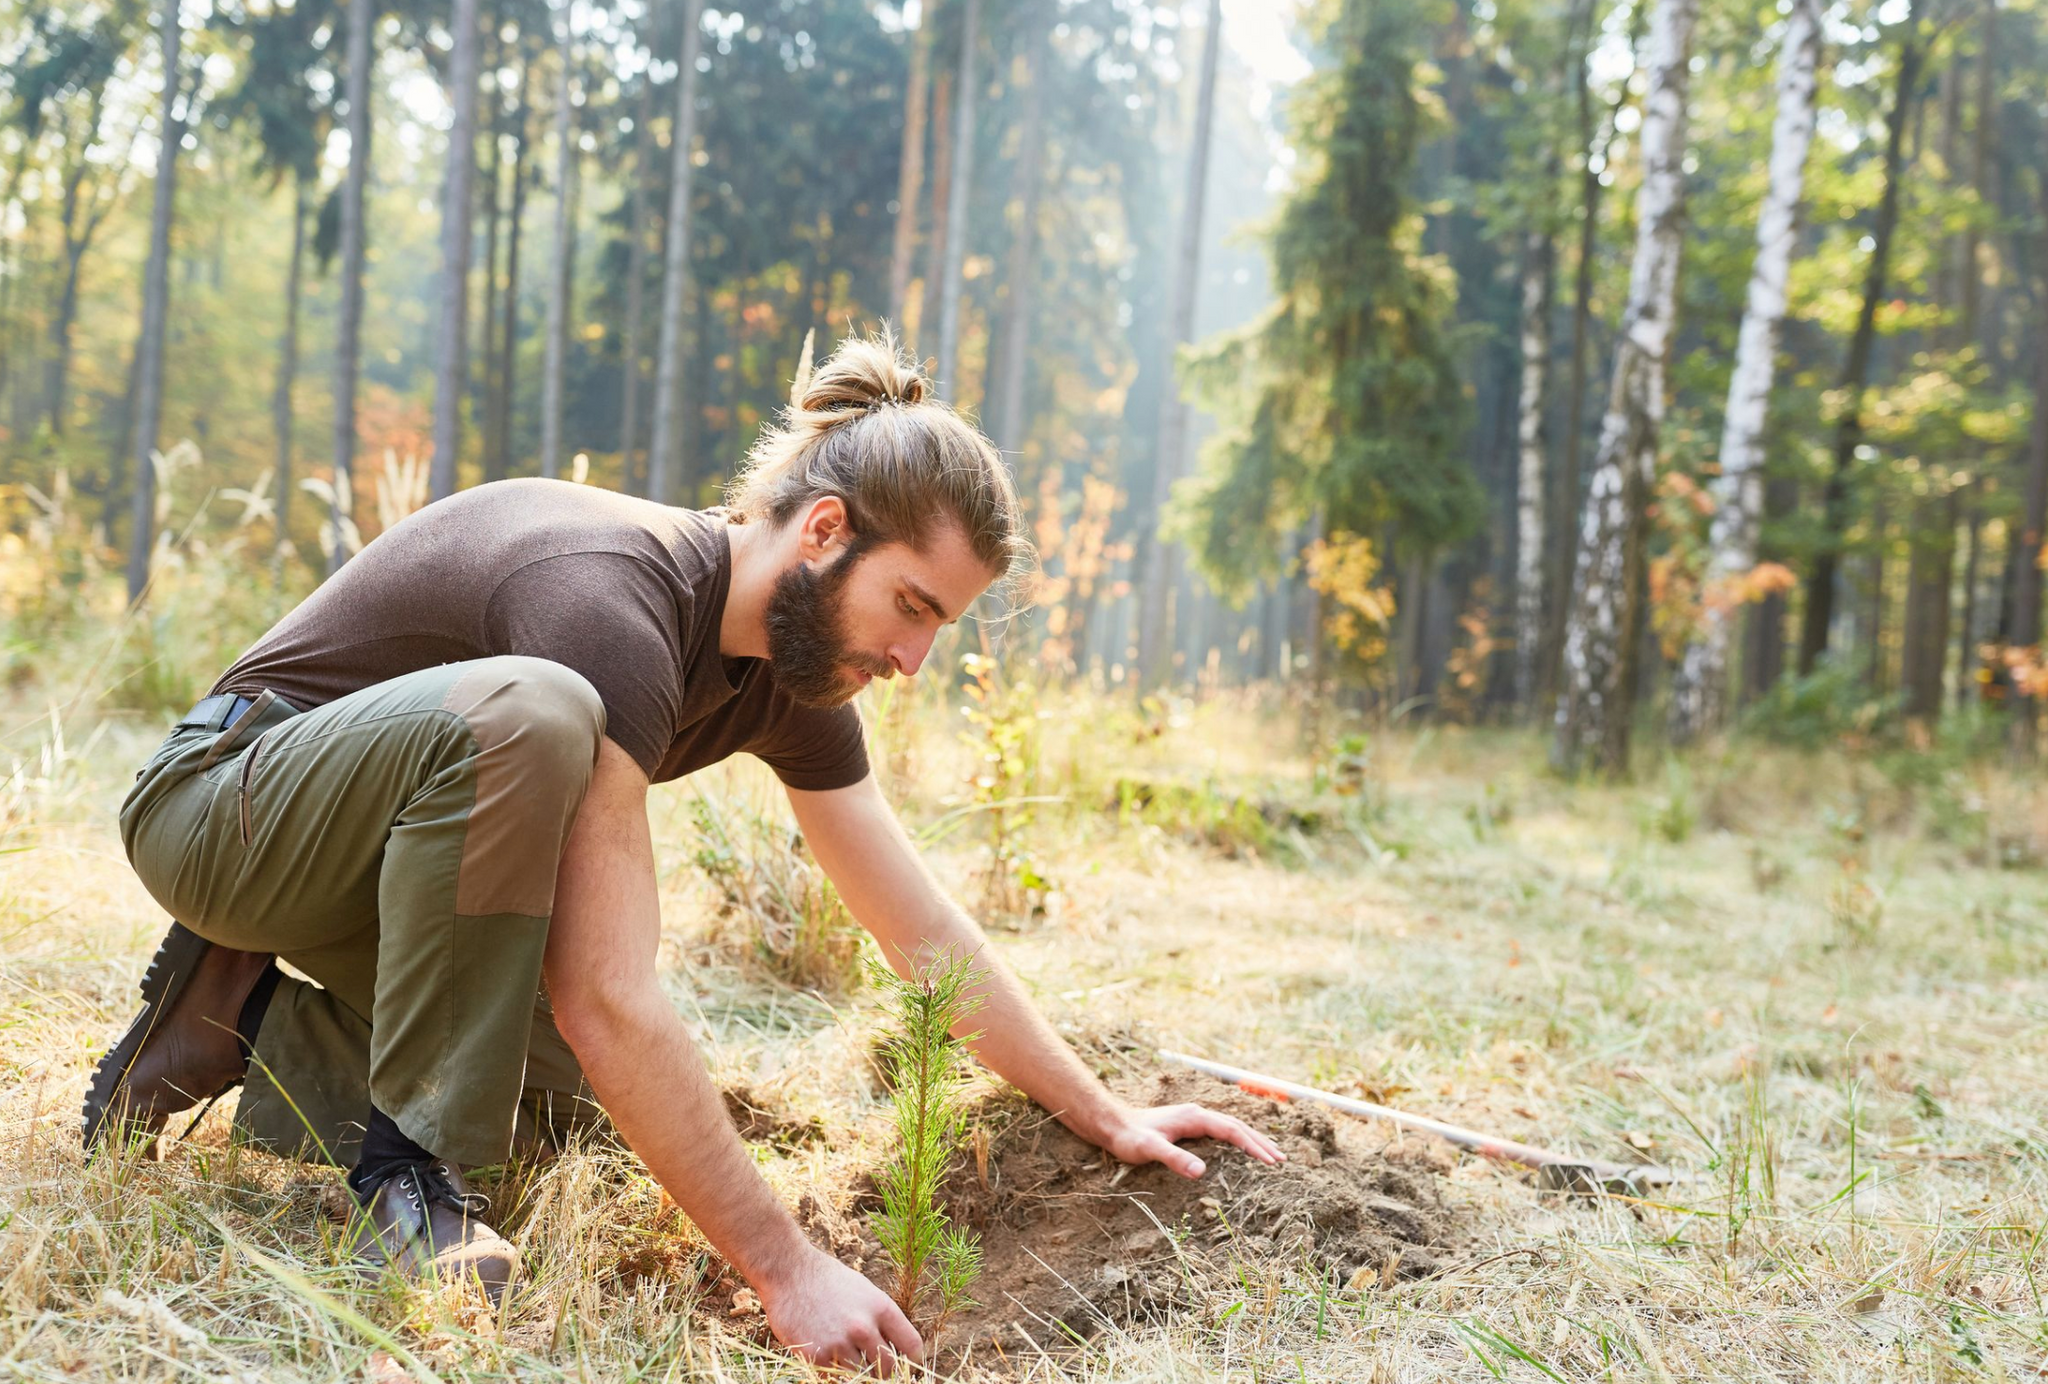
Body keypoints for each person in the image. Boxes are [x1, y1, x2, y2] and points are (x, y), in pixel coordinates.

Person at [84, 333, 1282, 1375]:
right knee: (535, 714)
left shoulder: (792, 679)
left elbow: (914, 924)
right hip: (224, 813)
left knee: (576, 1117)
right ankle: (412, 1182)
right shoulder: (608, 601)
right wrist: (786, 1269)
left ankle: (234, 1022)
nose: (914, 661)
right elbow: (609, 990)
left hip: (381, 866)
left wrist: (1103, 1109)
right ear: (824, 532)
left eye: (938, 628)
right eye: (912, 607)